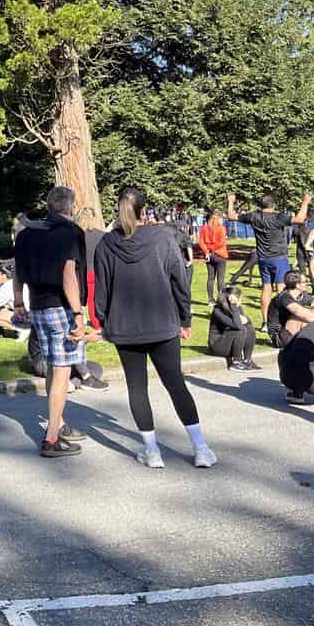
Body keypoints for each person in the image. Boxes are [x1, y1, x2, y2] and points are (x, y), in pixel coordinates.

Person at [94, 186, 216, 469]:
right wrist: (185, 318)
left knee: (138, 388)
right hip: (162, 322)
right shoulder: (162, 238)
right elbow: (179, 280)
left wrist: (102, 320)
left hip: (125, 326)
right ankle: (200, 448)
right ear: (144, 210)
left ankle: (152, 451)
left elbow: (101, 289)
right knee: (175, 383)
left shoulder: (106, 244)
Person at [13, 187, 89, 459]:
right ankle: (52, 438)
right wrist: (78, 313)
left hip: (38, 306)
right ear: (70, 207)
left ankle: (58, 422)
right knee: (62, 372)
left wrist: (18, 301)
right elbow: (69, 275)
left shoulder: (27, 233)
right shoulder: (70, 233)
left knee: (52, 370)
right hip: (62, 308)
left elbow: (17, 270)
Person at [227, 192, 311, 329]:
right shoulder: (278, 217)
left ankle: (266, 322)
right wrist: (305, 201)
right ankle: (281, 321)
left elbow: (231, 216)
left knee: (266, 289)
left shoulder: (254, 216)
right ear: (273, 205)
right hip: (278, 257)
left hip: (263, 258)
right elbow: (300, 219)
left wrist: (231, 201)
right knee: (281, 290)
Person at [266, 270, 314, 348]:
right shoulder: (284, 297)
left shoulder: (301, 295)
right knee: (299, 317)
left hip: (292, 331)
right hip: (279, 337)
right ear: (297, 285)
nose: (307, 283)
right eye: (305, 281)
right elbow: (302, 314)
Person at [207, 285, 258, 370]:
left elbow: (246, 321)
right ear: (231, 299)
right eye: (239, 299)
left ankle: (247, 360)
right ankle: (236, 362)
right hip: (217, 345)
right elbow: (237, 325)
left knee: (250, 328)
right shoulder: (217, 311)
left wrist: (238, 311)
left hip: (228, 341)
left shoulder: (236, 308)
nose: (240, 301)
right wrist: (234, 306)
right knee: (240, 330)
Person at [198, 211, 228, 306]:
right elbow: (221, 242)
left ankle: (210, 300)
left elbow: (201, 242)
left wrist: (207, 251)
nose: (222, 220)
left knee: (210, 278)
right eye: (220, 218)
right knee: (220, 279)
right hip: (220, 255)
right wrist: (212, 250)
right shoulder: (221, 228)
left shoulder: (204, 228)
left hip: (209, 256)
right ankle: (221, 300)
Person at [294, 210, 314, 295]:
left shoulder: (300, 222)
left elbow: (295, 233)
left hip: (302, 249)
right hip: (310, 248)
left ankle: (304, 290)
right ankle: (313, 289)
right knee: (311, 269)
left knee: (303, 271)